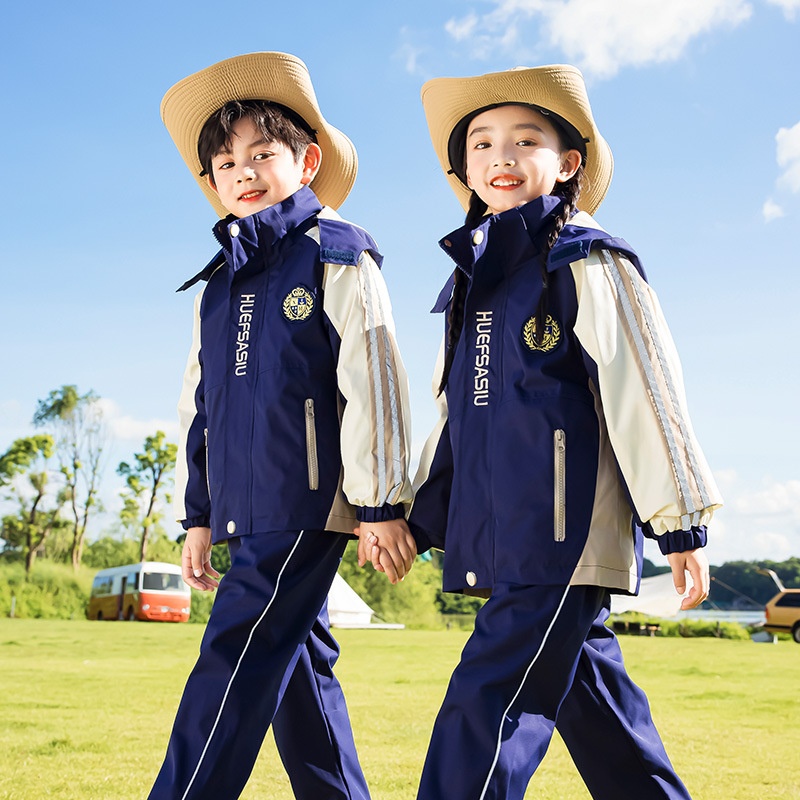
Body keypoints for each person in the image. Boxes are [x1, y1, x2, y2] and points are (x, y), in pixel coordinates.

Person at [407, 65, 723, 800]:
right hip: (503, 535)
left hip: (563, 534)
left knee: (484, 711)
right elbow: (459, 417)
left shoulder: (589, 259)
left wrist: (680, 524)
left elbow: (647, 391)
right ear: (465, 169)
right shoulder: (472, 285)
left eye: (526, 139)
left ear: (568, 162)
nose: (501, 157)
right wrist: (421, 519)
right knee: (606, 727)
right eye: (481, 144)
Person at [149, 51, 416, 800]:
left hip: (305, 500)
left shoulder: (337, 253)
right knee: (301, 678)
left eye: (263, 154)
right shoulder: (221, 282)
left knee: (231, 661)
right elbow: (198, 408)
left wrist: (379, 503)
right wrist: (195, 515)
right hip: (244, 506)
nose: (244, 172)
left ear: (307, 160)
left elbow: (376, 381)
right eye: (226, 162)